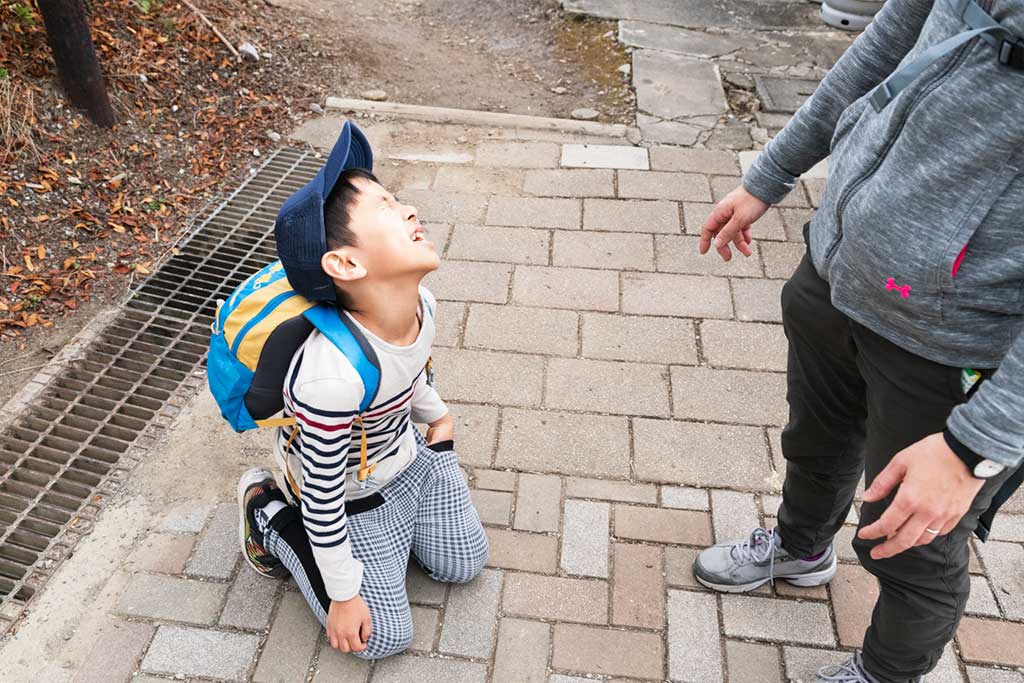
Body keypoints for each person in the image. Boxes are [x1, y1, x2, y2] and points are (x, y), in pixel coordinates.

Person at [692, 0, 1023, 681]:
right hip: (840, 269)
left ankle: (886, 673)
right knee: (814, 440)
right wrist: (770, 174)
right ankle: (800, 549)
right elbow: (877, 54)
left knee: (910, 542)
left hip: (950, 338)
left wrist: (975, 447)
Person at [235, 136, 488, 660]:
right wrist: (344, 596)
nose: (410, 210)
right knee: (383, 638)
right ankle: (268, 513)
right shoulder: (330, 377)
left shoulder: (423, 303)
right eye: (385, 207)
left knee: (464, 564)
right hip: (353, 498)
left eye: (396, 199)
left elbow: (411, 372)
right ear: (347, 264)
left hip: (409, 459)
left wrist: (437, 418)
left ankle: (398, 539)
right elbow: (324, 497)